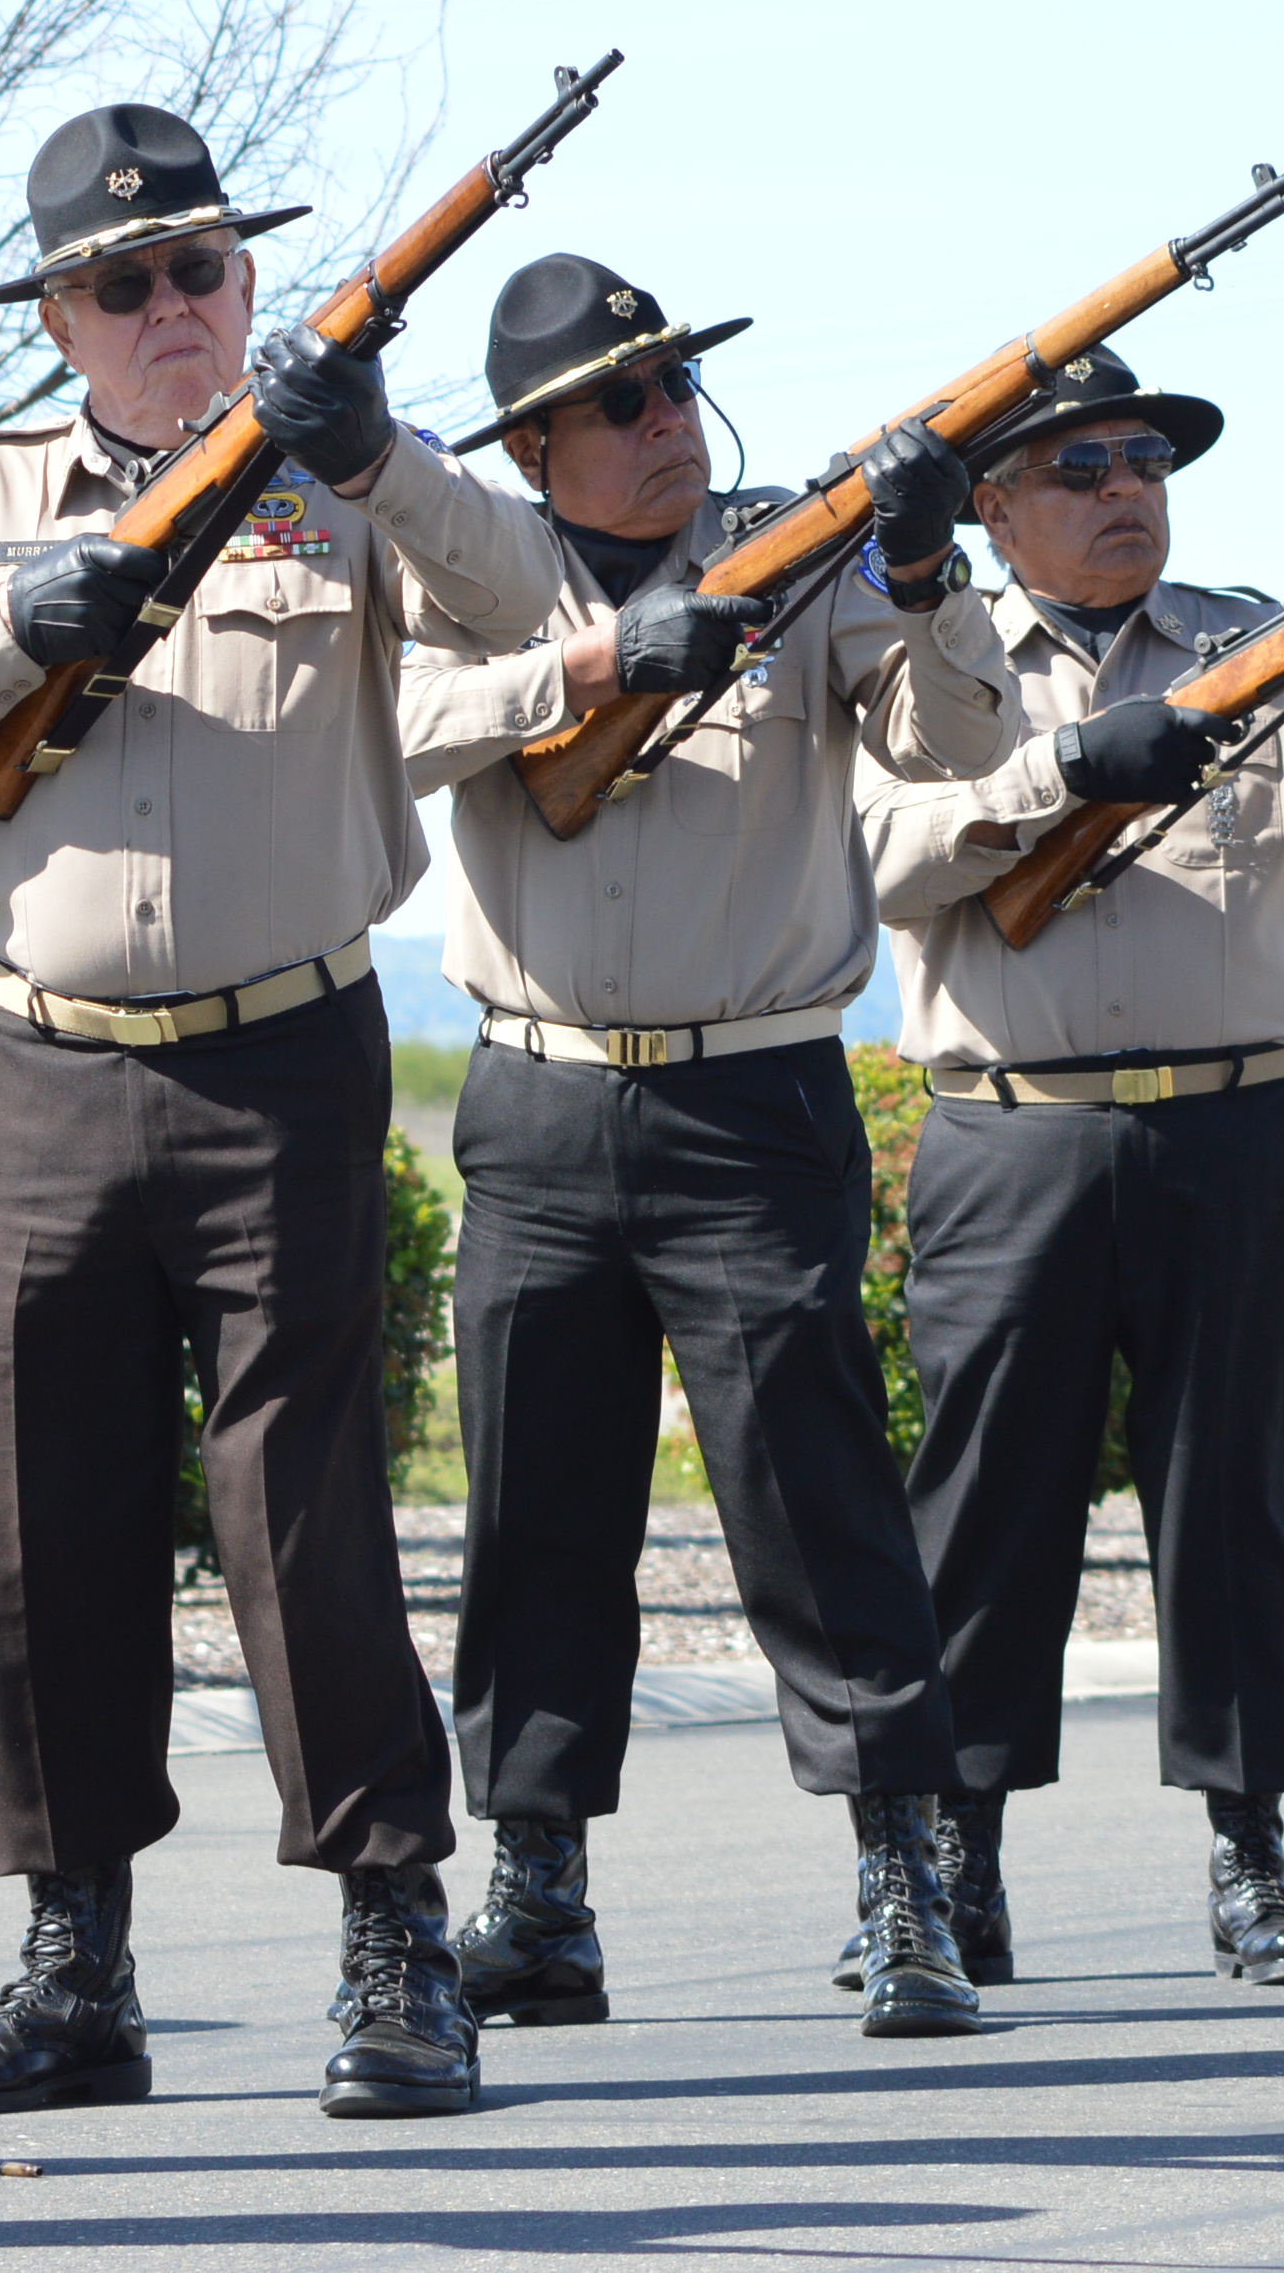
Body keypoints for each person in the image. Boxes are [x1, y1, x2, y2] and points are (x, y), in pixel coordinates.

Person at [0, 105, 555, 2121]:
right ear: (58, 314)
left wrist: (384, 454)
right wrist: (9, 634)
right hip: (42, 1062)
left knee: (303, 1516)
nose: (175, 307)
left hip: (279, 1052)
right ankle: (76, 1962)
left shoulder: (346, 484)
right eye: (124, 283)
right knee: (32, 1526)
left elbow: (537, 615)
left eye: (204, 270)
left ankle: (398, 1942)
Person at [394, 256, 1015, 2039]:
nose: (667, 422)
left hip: (751, 1092)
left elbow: (954, 737)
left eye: (676, 389)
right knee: (535, 1514)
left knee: (816, 1504)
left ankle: (908, 1881)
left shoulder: (795, 555)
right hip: (538, 1092)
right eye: (624, 400)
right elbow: (386, 741)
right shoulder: (468, 588)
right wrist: (586, 666)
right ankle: (535, 1892)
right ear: (532, 444)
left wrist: (919, 566)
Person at [855, 348, 1284, 1989]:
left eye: (1144, 458)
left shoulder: (1257, 645)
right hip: (1013, 1131)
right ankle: (957, 1863)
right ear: (989, 510)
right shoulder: (927, 656)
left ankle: (1251, 1857)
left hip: (1236, 1124)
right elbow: (871, 853)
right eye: (1079, 469)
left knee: (1234, 1506)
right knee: (985, 1519)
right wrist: (1052, 778)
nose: (1126, 487)